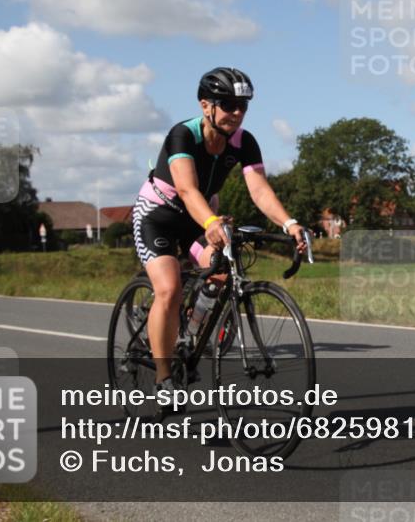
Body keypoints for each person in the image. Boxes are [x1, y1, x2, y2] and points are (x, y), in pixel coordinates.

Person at [131, 67, 306, 402]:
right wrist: (211, 222)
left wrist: (290, 223)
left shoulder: (244, 141)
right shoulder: (183, 135)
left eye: (243, 105)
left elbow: (259, 190)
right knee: (169, 289)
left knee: (224, 271)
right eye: (228, 104)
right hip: (159, 216)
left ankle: (191, 334)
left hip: (201, 217)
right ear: (205, 105)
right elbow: (185, 187)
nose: (237, 112)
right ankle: (164, 378)